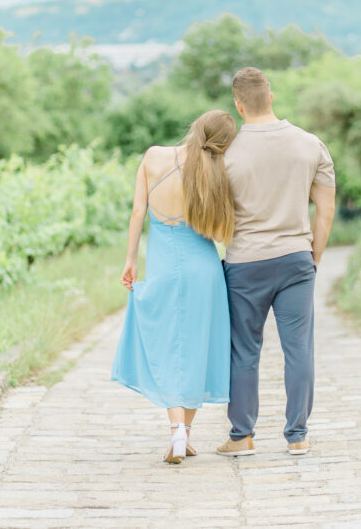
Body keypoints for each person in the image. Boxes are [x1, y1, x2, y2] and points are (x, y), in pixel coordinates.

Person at [215, 67, 336, 457]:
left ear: (238, 105)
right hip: (296, 258)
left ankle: (242, 436)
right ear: (271, 97)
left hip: (245, 263)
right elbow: (326, 210)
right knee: (298, 349)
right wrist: (312, 256)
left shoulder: (226, 155)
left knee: (244, 351)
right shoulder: (310, 144)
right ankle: (297, 435)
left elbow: (218, 221)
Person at [111, 110, 237, 464]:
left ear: (195, 127)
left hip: (165, 265)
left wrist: (131, 260)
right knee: (198, 347)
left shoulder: (152, 156)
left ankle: (176, 430)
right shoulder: (214, 175)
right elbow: (217, 233)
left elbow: (138, 213)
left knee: (168, 344)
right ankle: (187, 434)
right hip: (204, 268)